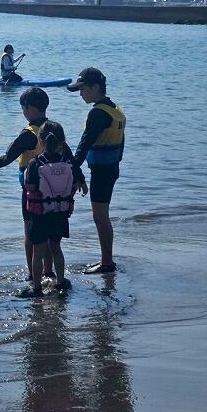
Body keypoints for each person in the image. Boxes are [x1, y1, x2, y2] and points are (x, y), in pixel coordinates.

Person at [0, 87, 86, 281]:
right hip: (56, 194)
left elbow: (7, 158)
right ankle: (48, 271)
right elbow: (71, 159)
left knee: (31, 234)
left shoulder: (29, 134)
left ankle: (33, 275)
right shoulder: (53, 131)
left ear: (30, 108)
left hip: (33, 193)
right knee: (50, 237)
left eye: (23, 109)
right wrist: (81, 179)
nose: (23, 113)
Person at [68, 67, 125, 274]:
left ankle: (107, 263)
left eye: (83, 89)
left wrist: (73, 172)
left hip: (102, 172)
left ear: (95, 87)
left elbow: (83, 145)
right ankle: (107, 260)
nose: (80, 94)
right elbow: (121, 145)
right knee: (102, 215)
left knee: (100, 217)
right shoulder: (115, 109)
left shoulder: (98, 113)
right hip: (111, 169)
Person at [22, 121, 80, 297]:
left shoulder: (35, 163)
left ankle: (37, 288)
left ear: (40, 141)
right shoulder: (68, 163)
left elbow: (30, 186)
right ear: (62, 142)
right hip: (60, 214)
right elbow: (73, 184)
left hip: (40, 215)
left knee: (38, 252)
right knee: (56, 248)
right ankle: (61, 282)